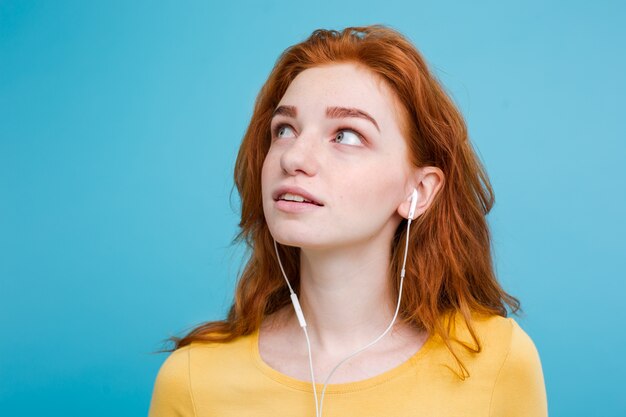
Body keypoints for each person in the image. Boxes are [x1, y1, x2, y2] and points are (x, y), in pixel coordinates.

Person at [147, 24, 548, 417]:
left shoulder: (495, 361)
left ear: (419, 191)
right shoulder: (193, 380)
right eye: (284, 129)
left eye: (346, 135)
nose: (294, 158)